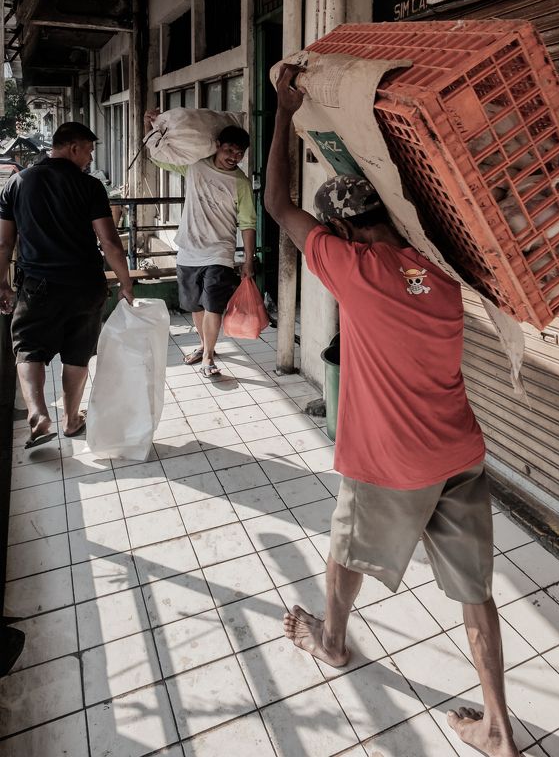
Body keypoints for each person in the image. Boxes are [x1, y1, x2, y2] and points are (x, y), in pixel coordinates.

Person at [264, 65, 522, 757]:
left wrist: (285, 112)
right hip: (459, 453)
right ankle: (498, 729)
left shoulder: (354, 271)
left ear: (344, 233)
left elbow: (276, 206)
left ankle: (333, 640)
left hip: (391, 461)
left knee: (346, 551)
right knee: (477, 594)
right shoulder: (434, 271)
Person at [0, 122, 134, 449]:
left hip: (38, 285)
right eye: (88, 150)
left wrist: (2, 284)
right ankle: (71, 420)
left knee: (29, 348)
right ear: (73, 147)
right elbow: (110, 242)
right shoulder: (89, 186)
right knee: (78, 354)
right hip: (86, 285)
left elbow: (4, 244)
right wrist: (126, 284)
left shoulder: (16, 183)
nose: (90, 157)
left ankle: (38, 414)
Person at [143, 110, 256, 378]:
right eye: (230, 150)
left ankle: (207, 358)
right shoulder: (195, 165)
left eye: (239, 154)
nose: (234, 157)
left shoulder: (240, 182)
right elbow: (159, 157)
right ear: (217, 145)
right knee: (195, 305)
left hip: (220, 251)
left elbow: (248, 222)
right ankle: (206, 346)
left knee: (213, 305)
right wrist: (155, 127)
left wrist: (248, 259)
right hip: (189, 250)